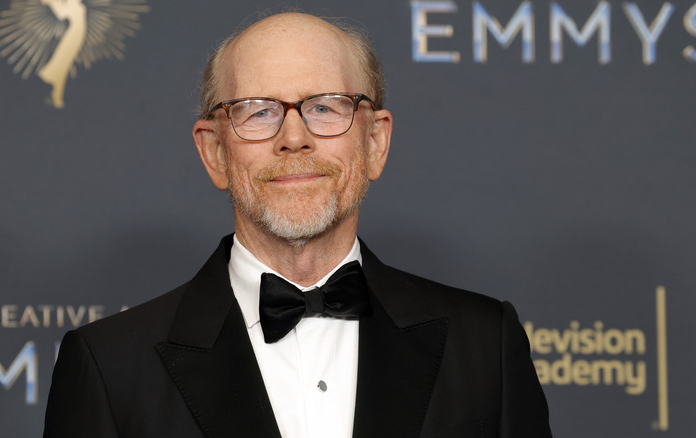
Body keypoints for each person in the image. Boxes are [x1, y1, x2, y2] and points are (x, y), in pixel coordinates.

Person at [43, 12, 551, 438]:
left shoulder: (485, 344)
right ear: (215, 152)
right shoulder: (110, 366)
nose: (294, 137)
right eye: (258, 112)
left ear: (375, 143)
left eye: (325, 108)